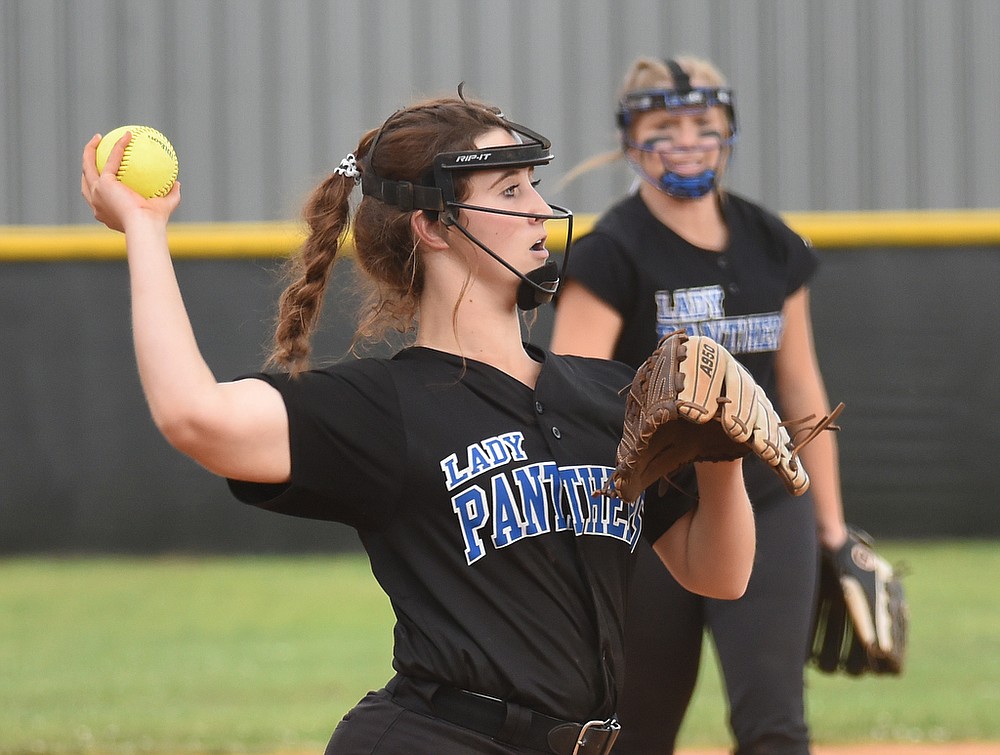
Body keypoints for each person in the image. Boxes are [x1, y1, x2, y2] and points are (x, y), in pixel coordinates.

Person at [81, 90, 757, 754]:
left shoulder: (611, 397)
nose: (538, 212)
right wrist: (145, 230)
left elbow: (717, 574)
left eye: (533, 186)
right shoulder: (389, 408)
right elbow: (192, 415)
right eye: (509, 190)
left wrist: (721, 458)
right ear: (432, 225)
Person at [550, 56, 849, 755]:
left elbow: (803, 392)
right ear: (631, 139)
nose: (685, 139)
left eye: (702, 123)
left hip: (768, 497)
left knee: (776, 725)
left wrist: (831, 530)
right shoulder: (610, 252)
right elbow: (573, 392)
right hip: (653, 506)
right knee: (638, 727)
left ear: (728, 133)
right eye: (664, 125)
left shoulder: (770, 241)